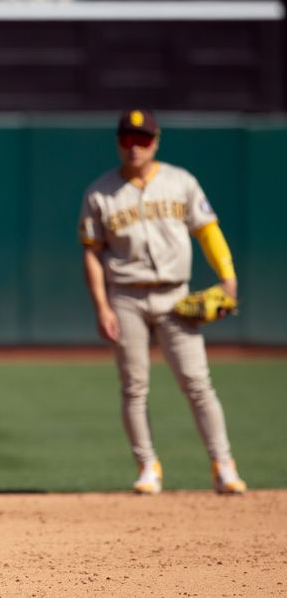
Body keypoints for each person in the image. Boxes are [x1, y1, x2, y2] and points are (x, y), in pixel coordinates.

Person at [78, 109, 246, 496]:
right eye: (127, 139)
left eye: (143, 139)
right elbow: (91, 252)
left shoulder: (180, 182)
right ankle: (147, 467)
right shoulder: (100, 192)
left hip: (175, 295)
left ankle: (223, 465)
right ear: (119, 142)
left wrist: (228, 275)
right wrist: (101, 306)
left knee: (198, 383)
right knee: (134, 387)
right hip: (127, 297)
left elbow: (207, 231)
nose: (134, 147)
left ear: (156, 141)